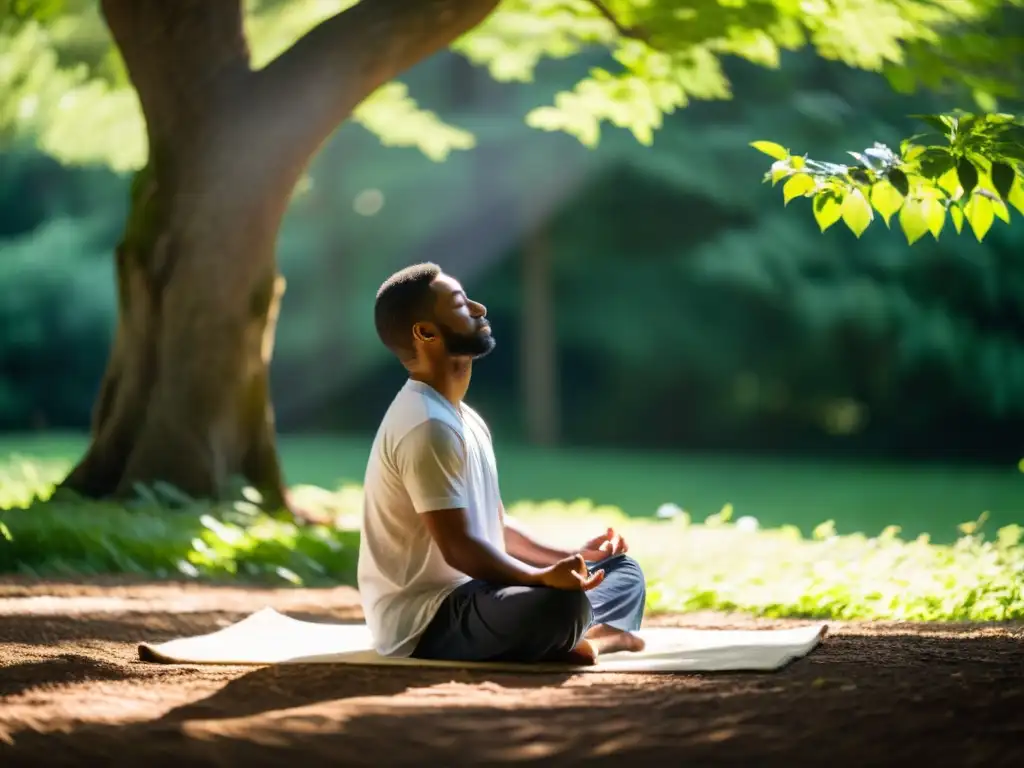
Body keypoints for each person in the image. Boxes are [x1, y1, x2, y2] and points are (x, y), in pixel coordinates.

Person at [357, 262, 647, 665]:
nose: (478, 308)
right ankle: (600, 637)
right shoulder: (425, 424)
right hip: (430, 618)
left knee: (623, 571)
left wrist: (570, 556)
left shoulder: (464, 418)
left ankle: (580, 638)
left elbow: (495, 526)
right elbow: (459, 548)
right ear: (425, 333)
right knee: (558, 606)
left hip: (482, 594)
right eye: (460, 304)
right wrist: (539, 579)